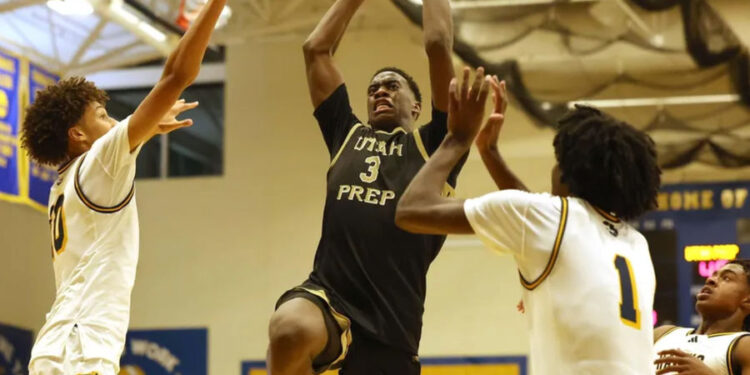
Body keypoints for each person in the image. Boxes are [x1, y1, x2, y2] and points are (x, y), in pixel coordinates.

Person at [395, 72, 662, 375]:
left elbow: (411, 209)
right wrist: (491, 154)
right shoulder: (636, 243)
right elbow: (536, 222)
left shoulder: (550, 220)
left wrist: (457, 139)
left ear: (568, 171)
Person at [21, 1, 226, 373]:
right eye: (102, 116)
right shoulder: (99, 161)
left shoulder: (68, 182)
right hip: (81, 350)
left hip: (62, 346)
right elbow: (175, 75)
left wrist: (145, 131)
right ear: (78, 134)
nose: (114, 120)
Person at [266, 0, 462, 373]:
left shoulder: (436, 146)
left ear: (417, 107)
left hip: (391, 326)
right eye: (373, 89)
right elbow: (315, 50)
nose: (380, 92)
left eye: (392, 86)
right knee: (288, 329)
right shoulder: (346, 135)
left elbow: (437, 43)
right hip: (329, 296)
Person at [654, 260, 750, 375]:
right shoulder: (662, 333)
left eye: (727, 278)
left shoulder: (744, 346)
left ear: (748, 300)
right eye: (714, 275)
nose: (710, 280)